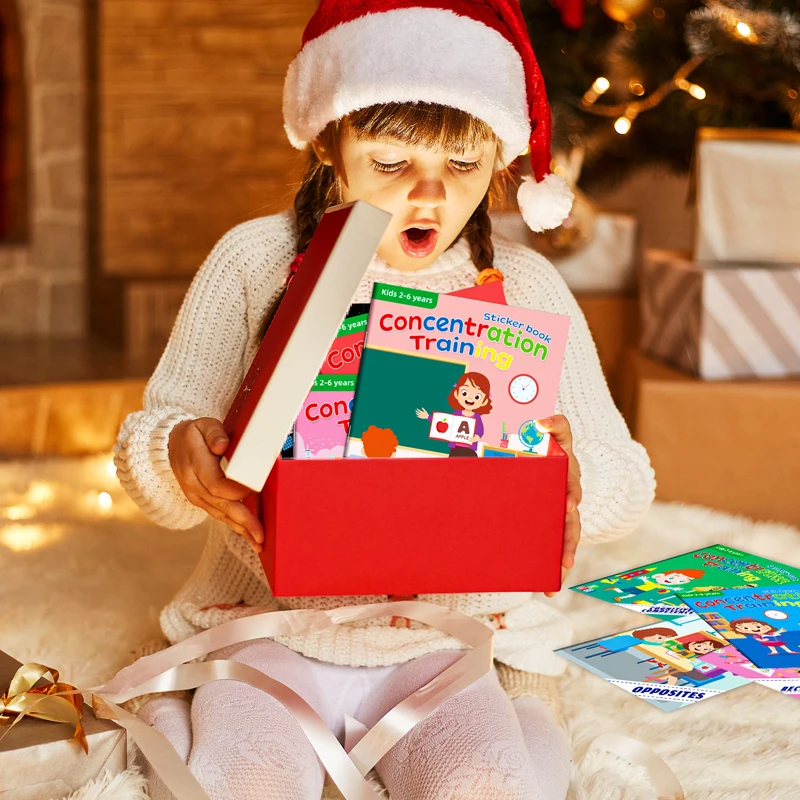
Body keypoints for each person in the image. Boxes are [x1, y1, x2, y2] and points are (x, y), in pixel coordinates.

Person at [113, 2, 656, 798]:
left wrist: (570, 475)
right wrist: (176, 454)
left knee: (494, 785)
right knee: (237, 784)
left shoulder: (525, 286)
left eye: (464, 168)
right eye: (392, 164)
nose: (429, 200)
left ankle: (532, 726)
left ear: (503, 160)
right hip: (268, 631)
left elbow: (627, 481)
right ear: (329, 142)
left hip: (447, 644)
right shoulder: (256, 261)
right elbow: (149, 447)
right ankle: (179, 714)